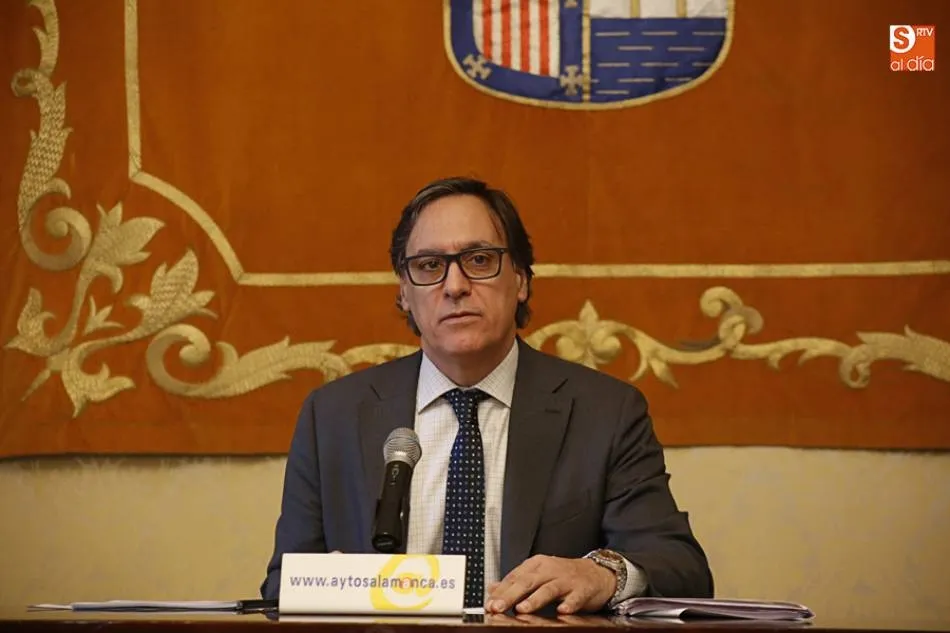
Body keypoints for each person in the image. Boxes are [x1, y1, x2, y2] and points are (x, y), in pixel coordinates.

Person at [260, 176, 713, 614]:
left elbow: (680, 567)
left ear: (521, 280)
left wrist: (601, 573)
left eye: (479, 260)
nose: (455, 286)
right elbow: (281, 586)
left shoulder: (604, 412)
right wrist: (331, 584)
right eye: (429, 266)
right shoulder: (333, 416)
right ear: (404, 293)